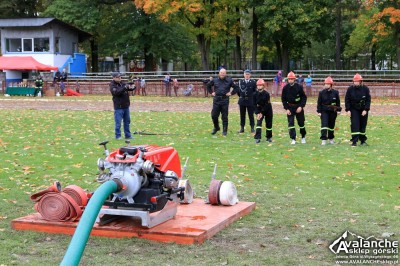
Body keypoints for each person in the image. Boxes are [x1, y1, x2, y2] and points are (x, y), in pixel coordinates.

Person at [207, 68, 238, 136]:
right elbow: (208, 85)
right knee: (214, 115)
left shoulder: (229, 80)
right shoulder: (215, 80)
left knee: (224, 116)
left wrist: (231, 93)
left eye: (223, 73)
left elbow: (236, 87)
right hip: (216, 100)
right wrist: (211, 92)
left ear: (226, 74)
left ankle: (224, 131)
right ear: (219, 73)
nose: (222, 74)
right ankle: (216, 127)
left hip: (225, 100)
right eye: (221, 73)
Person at [281, 71, 307, 144]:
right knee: (291, 123)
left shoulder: (299, 87)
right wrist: (286, 109)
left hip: (298, 107)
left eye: (292, 79)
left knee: (301, 123)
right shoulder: (285, 88)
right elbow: (283, 99)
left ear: (294, 79)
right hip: (290, 108)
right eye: (289, 79)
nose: (290, 80)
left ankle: (303, 136)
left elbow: (304, 98)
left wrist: (301, 106)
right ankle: (293, 138)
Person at [345, 73, 371, 146]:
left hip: (363, 109)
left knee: (363, 124)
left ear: (360, 81)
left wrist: (366, 109)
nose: (356, 82)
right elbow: (347, 100)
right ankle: (354, 141)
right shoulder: (350, 89)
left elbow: (368, 100)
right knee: (355, 124)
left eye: (357, 81)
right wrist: (348, 110)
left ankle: (362, 140)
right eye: (355, 81)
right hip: (353, 109)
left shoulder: (365, 89)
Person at [109, 72, 135, 140]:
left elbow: (129, 88)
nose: (120, 78)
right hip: (118, 107)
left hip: (126, 106)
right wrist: (125, 87)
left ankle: (128, 135)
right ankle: (118, 136)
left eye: (120, 77)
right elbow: (116, 92)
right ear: (114, 78)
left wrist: (132, 86)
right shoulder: (112, 85)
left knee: (127, 122)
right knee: (118, 123)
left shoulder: (122, 83)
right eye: (118, 77)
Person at [317, 76, 342, 145]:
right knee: (324, 125)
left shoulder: (335, 92)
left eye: (328, 84)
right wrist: (319, 111)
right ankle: (324, 139)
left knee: (331, 126)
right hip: (324, 111)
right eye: (325, 84)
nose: (326, 85)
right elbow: (319, 103)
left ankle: (331, 138)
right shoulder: (321, 93)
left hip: (333, 111)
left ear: (331, 85)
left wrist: (338, 110)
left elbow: (338, 102)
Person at [254, 79, 273, 144]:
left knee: (269, 124)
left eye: (260, 85)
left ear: (263, 86)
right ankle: (257, 138)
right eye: (258, 85)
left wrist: (262, 112)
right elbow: (254, 104)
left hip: (267, 110)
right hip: (259, 110)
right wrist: (257, 113)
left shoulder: (266, 94)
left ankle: (269, 137)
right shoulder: (254, 94)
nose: (259, 86)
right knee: (258, 123)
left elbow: (267, 105)